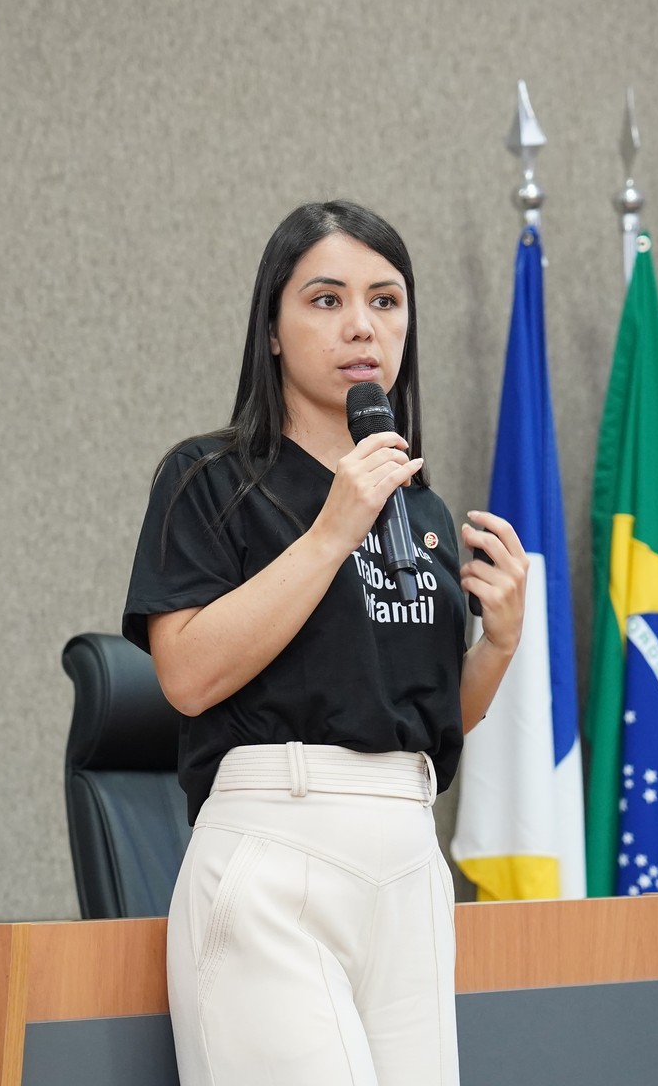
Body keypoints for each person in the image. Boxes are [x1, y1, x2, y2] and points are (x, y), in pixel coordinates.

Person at [122, 200, 529, 1085]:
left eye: (386, 302)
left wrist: (494, 647)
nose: (361, 327)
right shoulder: (211, 479)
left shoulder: (417, 509)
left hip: (409, 856)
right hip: (276, 848)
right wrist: (331, 530)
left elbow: (416, 724)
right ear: (272, 327)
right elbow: (186, 677)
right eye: (325, 300)